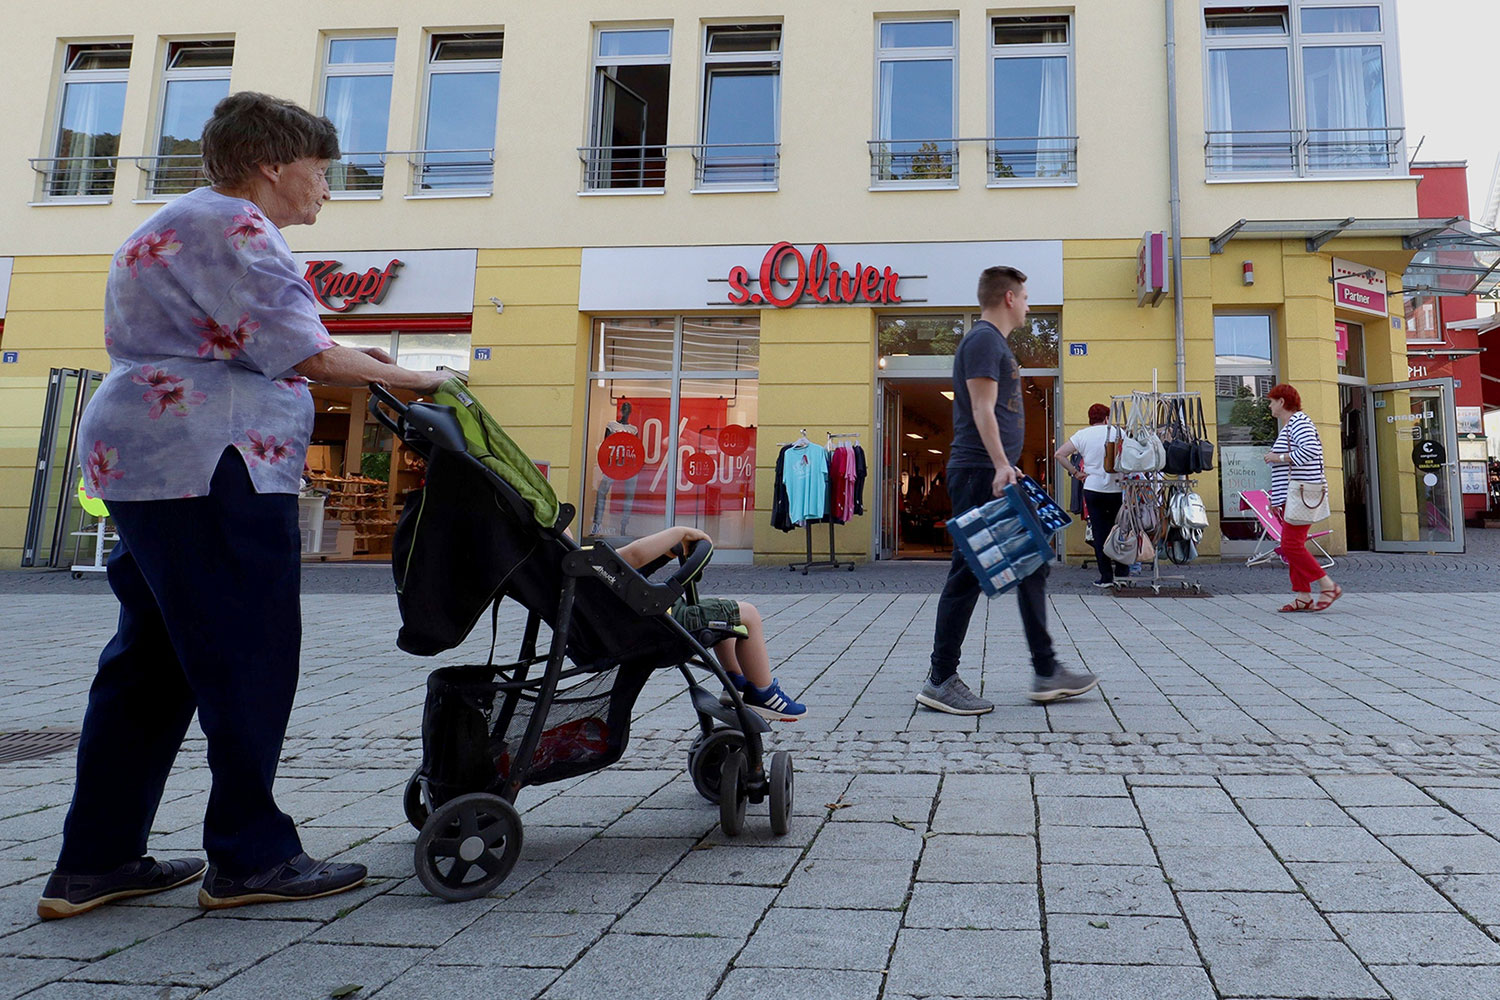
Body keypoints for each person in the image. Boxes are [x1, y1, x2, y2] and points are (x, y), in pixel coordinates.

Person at [38, 92, 449, 920]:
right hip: (210, 461)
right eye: (320, 169)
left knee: (149, 665)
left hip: (156, 462)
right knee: (248, 656)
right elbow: (304, 353)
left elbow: (270, 342)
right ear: (273, 164)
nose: (327, 186)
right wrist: (420, 378)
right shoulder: (236, 227)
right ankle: (251, 855)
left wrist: (353, 356)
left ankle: (96, 861)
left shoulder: (185, 218)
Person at [917, 266, 1099, 714]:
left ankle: (1046, 669)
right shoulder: (982, 341)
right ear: (1010, 298)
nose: (1030, 306)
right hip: (981, 472)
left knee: (1033, 560)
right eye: (1026, 297)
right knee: (968, 573)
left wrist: (1008, 465)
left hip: (993, 471)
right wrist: (1001, 464)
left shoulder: (994, 344)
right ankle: (942, 678)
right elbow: (981, 408)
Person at [617, 525, 806, 721]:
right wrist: (681, 532)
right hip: (662, 626)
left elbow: (630, 568)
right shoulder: (588, 560)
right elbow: (633, 556)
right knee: (749, 614)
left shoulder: (586, 569)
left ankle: (736, 683)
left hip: (642, 626)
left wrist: (667, 552)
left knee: (722, 612)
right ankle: (764, 693)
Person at [1264, 383, 1343, 612]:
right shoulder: (1292, 425)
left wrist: (1277, 457)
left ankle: (1327, 585)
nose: (1270, 406)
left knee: (1290, 545)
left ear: (1281, 402)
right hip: (1293, 496)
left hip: (1299, 495)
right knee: (1293, 544)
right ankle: (1303, 596)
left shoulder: (1299, 422)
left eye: (1271, 401)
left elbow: (1311, 451)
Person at [1055, 403, 1128, 587]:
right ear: (1106, 418)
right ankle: (1122, 574)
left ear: (1090, 419)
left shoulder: (1082, 435)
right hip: (1117, 489)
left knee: (1100, 532)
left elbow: (1059, 454)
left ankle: (1105, 577)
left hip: (1093, 489)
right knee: (1120, 530)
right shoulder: (1118, 433)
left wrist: (1076, 472)